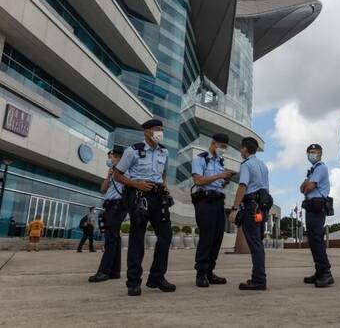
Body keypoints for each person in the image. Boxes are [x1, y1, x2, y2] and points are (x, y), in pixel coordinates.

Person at [113, 119, 176, 296]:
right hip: (139, 196)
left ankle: (157, 277)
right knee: (137, 238)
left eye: (162, 130)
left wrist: (164, 187)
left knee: (166, 235)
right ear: (147, 132)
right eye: (157, 129)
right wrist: (136, 184)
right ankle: (133, 282)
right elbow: (117, 175)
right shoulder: (132, 151)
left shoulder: (164, 151)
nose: (160, 133)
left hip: (158, 196)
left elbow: (163, 173)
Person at [191, 133, 233, 288]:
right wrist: (220, 175)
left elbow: (218, 184)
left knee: (217, 237)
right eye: (221, 146)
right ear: (214, 143)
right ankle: (200, 273)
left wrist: (225, 181)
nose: (223, 150)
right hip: (205, 201)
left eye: (225, 147)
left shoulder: (220, 162)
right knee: (207, 237)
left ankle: (210, 271)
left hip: (218, 201)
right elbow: (198, 180)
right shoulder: (200, 159)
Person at [229, 137, 270, 291]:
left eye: (241, 148)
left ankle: (259, 280)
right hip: (261, 208)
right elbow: (266, 190)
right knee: (257, 243)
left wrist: (234, 208)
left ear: (245, 148)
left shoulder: (246, 165)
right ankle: (257, 277)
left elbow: (242, 186)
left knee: (255, 243)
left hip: (251, 207)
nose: (240, 151)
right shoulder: (263, 165)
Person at [89, 148, 128, 283]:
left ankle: (104, 271)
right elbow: (103, 189)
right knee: (114, 238)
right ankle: (115, 271)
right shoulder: (113, 172)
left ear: (118, 157)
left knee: (110, 237)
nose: (109, 159)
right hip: (110, 205)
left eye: (111, 157)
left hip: (118, 206)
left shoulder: (125, 170)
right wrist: (108, 176)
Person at [300, 144, 334, 287]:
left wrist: (306, 185)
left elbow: (308, 187)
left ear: (320, 154)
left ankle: (326, 273)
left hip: (317, 206)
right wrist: (306, 185)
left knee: (317, 241)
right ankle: (319, 272)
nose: (311, 155)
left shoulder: (320, 168)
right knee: (313, 241)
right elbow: (302, 189)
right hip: (311, 206)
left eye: (314, 152)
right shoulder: (312, 170)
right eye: (309, 152)